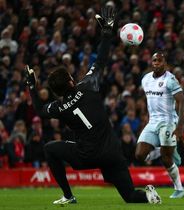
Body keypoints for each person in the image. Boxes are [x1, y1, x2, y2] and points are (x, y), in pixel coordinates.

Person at [25, 6, 161, 205]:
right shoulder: (88, 86)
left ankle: (68, 196)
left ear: (56, 91)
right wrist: (107, 32)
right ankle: (148, 196)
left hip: (86, 156)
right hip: (112, 153)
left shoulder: (59, 108)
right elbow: (101, 59)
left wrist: (32, 87)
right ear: (71, 81)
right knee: (130, 196)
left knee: (50, 149)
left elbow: (39, 109)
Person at [135, 52, 184, 199]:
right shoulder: (145, 79)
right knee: (139, 155)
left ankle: (179, 189)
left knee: (166, 159)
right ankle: (162, 148)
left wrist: (180, 127)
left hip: (168, 122)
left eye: (159, 61)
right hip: (152, 123)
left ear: (165, 63)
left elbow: (182, 102)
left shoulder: (170, 80)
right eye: (154, 60)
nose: (156, 63)